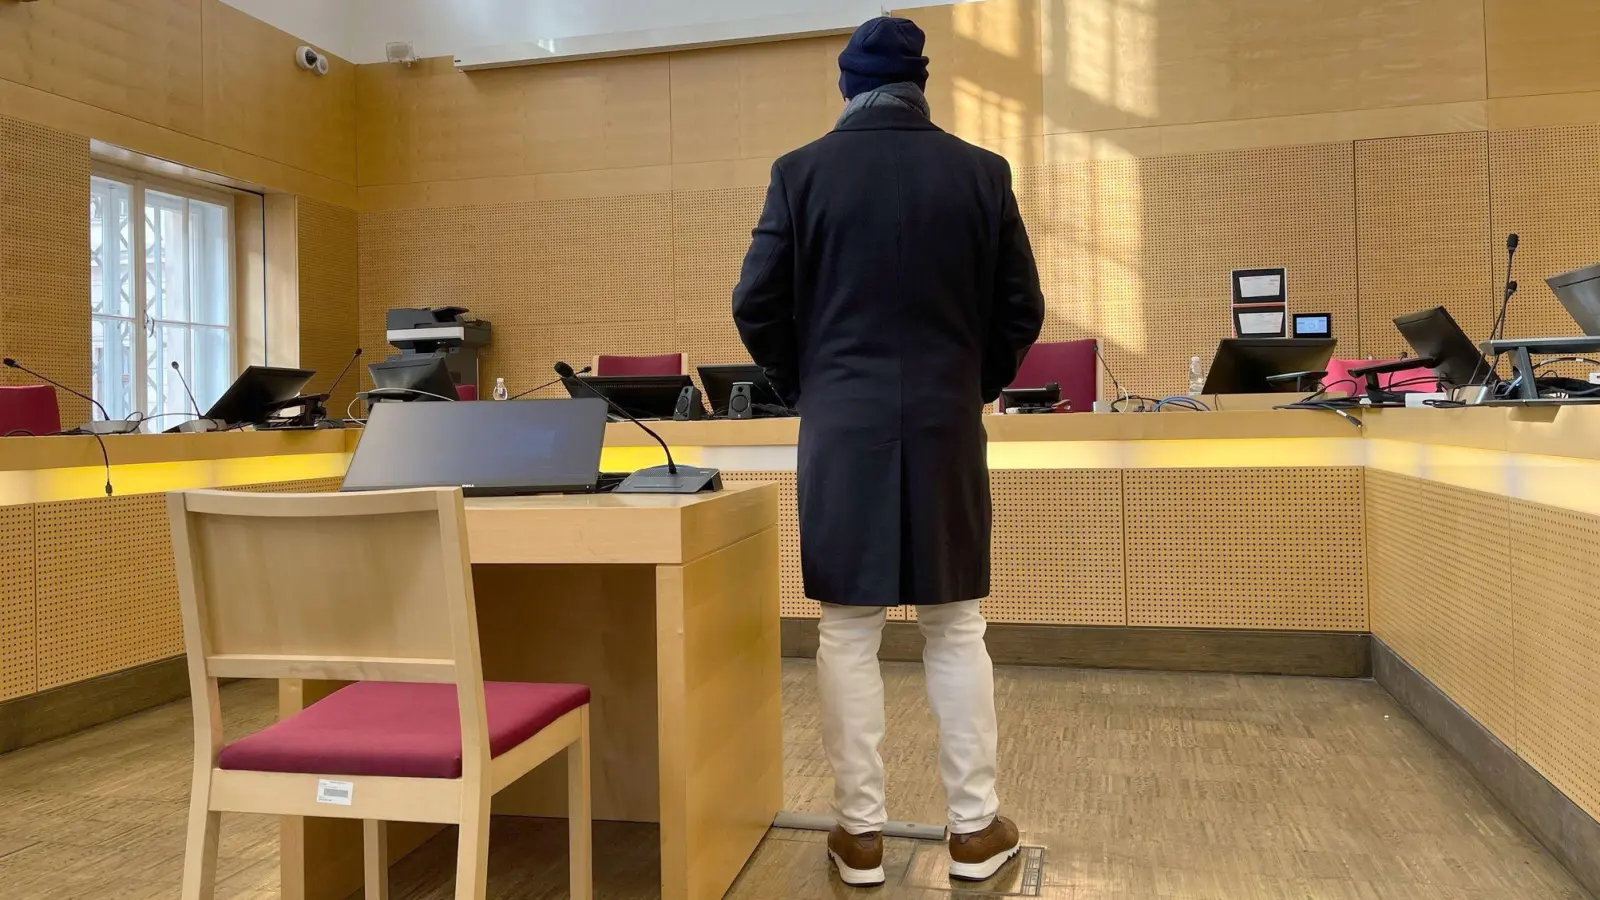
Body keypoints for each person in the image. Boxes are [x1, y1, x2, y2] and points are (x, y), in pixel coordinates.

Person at [731, 14, 1046, 888]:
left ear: (847, 85)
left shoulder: (800, 173)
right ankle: (974, 831)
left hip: (842, 426)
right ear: (921, 85)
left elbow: (755, 303)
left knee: (846, 629)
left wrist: (813, 384)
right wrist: (967, 383)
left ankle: (859, 835)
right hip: (946, 423)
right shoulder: (982, 172)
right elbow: (1021, 308)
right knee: (956, 625)